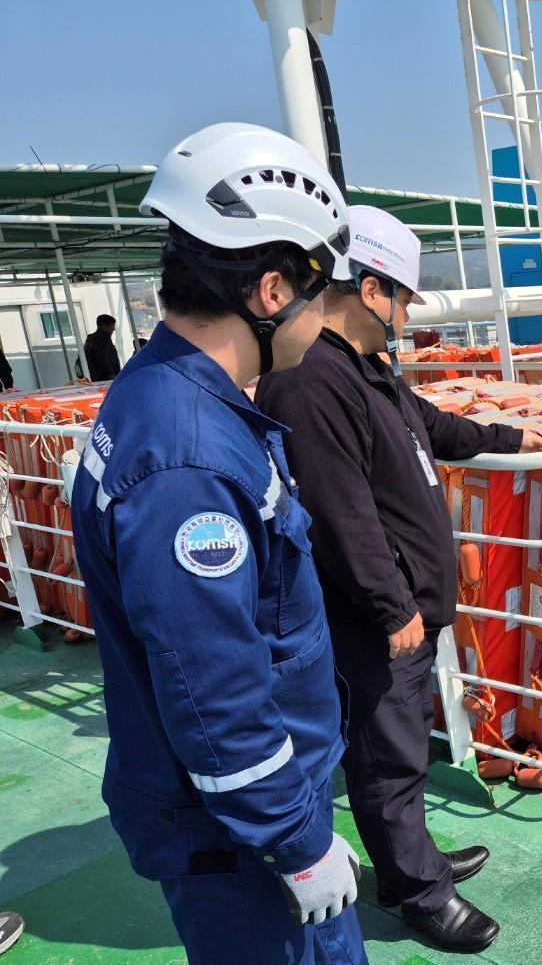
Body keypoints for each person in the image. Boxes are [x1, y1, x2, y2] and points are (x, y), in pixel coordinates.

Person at [70, 123, 368, 963]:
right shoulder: (189, 457)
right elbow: (212, 688)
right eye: (322, 294)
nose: (328, 318)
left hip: (251, 816)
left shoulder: (167, 398)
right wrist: (297, 842)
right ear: (271, 290)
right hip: (241, 840)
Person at [257, 206, 542, 953]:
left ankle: (405, 863)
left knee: (402, 746)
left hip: (404, 608)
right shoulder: (314, 381)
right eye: (405, 299)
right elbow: (339, 511)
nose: (408, 315)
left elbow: (431, 428)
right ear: (372, 288)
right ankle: (419, 894)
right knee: (386, 755)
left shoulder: (366, 372)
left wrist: (515, 435)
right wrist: (391, 608)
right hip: (372, 619)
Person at [84, 314, 121, 381]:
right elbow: (103, 357)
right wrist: (111, 374)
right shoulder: (104, 338)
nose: (113, 329)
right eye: (112, 326)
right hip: (105, 376)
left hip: (94, 376)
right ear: (104, 325)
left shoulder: (90, 338)